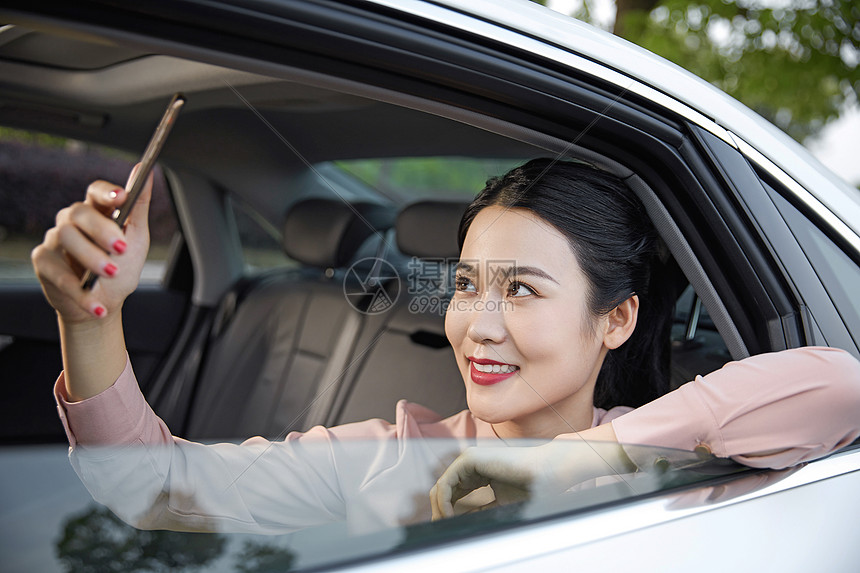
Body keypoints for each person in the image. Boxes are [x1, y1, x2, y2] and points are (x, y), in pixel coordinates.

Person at [33, 159, 860, 532]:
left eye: (523, 289)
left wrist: (575, 459)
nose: (479, 324)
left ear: (616, 319)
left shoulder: (680, 461)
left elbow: (838, 383)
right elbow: (155, 490)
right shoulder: (391, 458)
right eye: (466, 284)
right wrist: (91, 318)